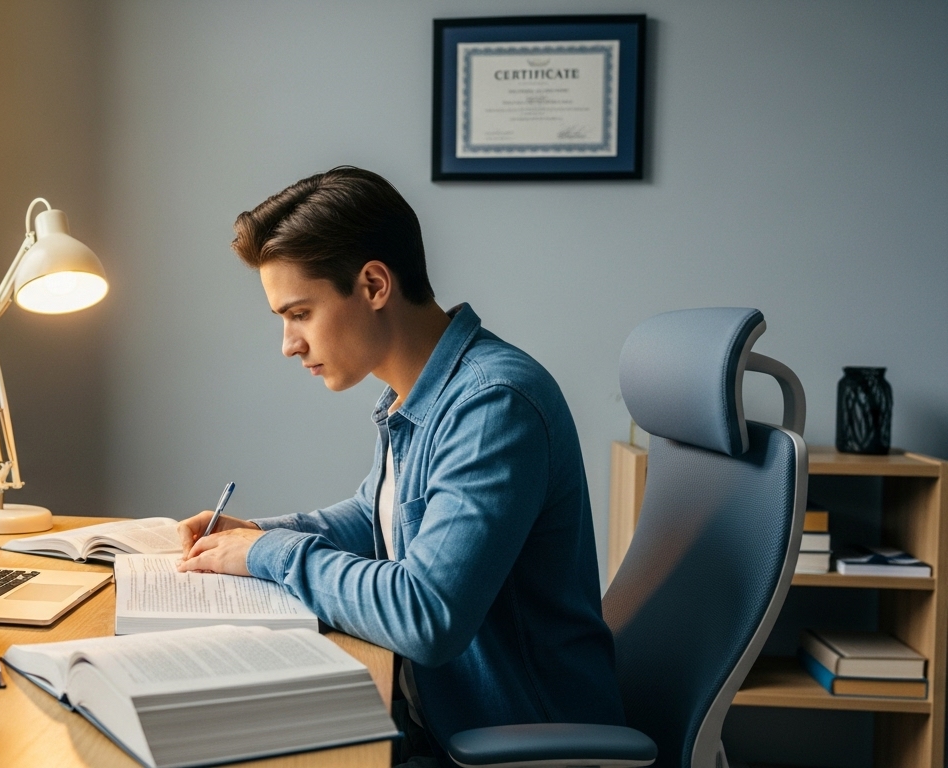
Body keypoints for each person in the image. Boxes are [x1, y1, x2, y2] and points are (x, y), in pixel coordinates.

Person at [176, 167, 624, 765]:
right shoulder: (417, 395)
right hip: (437, 724)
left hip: (506, 745)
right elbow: (377, 516)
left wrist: (268, 555)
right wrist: (256, 534)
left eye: (300, 313)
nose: (288, 343)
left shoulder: (493, 405)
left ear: (374, 284)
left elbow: (426, 614)